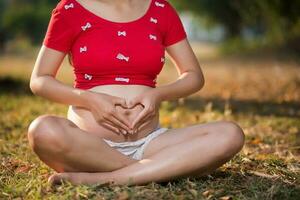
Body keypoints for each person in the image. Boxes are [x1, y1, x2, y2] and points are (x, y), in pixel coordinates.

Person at [27, 0, 245, 186]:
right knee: (42, 130)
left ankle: (108, 179)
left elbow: (193, 75)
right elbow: (40, 79)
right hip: (87, 146)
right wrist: (89, 99)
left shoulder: (160, 9)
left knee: (230, 134)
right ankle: (161, 169)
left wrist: (158, 94)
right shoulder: (71, 9)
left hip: (150, 143)